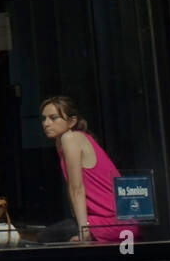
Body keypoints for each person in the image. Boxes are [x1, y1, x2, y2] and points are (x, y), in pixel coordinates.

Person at [38, 95, 136, 243]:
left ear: (72, 121)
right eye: (44, 118)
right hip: (107, 220)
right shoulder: (65, 141)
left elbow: (76, 188)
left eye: (54, 118)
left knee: (45, 237)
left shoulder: (70, 138)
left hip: (114, 222)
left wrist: (84, 232)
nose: (46, 123)